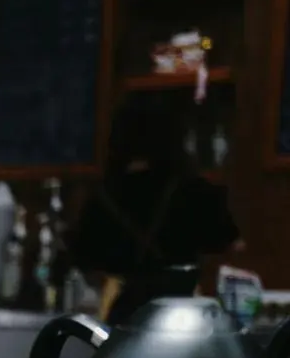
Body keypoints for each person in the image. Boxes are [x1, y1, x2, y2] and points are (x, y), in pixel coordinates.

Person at [70, 95, 244, 326]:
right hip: (185, 316)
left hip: (125, 317)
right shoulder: (195, 191)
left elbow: (83, 261)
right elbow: (234, 247)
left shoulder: (101, 198)